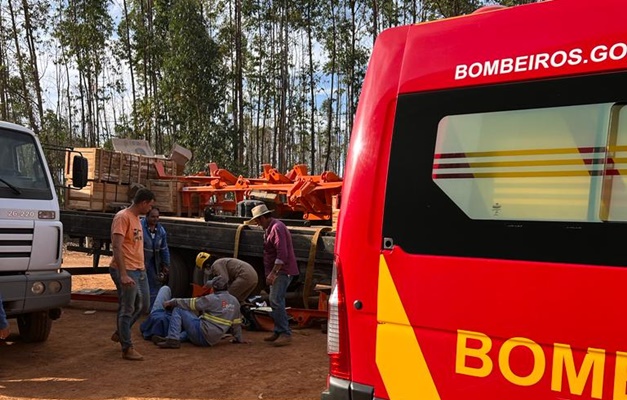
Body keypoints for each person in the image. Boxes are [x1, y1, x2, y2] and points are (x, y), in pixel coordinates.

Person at [109, 187, 156, 361]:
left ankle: (122, 331)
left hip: (138, 269)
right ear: (143, 203)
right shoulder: (123, 217)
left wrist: (142, 267)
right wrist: (122, 274)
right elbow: (117, 246)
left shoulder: (137, 218)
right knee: (128, 307)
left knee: (143, 306)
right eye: (150, 205)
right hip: (126, 269)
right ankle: (127, 348)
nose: (151, 209)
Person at [247, 204, 298, 346]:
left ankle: (284, 333)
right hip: (279, 271)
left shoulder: (276, 228)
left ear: (263, 217)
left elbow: (282, 254)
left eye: (258, 221)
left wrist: (273, 273)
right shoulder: (272, 228)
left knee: (276, 300)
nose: (257, 224)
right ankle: (278, 330)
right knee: (275, 300)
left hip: (282, 271)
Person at [154, 276, 247, 349]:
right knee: (194, 323)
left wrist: (173, 302)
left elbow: (190, 303)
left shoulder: (212, 299)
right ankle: (174, 337)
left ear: (214, 288)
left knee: (178, 309)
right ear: (227, 287)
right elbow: (236, 324)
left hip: (202, 334)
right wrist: (239, 339)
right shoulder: (235, 301)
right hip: (212, 340)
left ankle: (172, 339)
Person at [142, 207, 171, 307]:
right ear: (147, 216)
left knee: (155, 283)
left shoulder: (161, 231)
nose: (155, 219)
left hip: (154, 261)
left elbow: (164, 248)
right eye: (153, 216)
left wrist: (166, 264)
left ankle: (152, 308)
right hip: (140, 261)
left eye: (157, 217)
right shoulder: (140, 227)